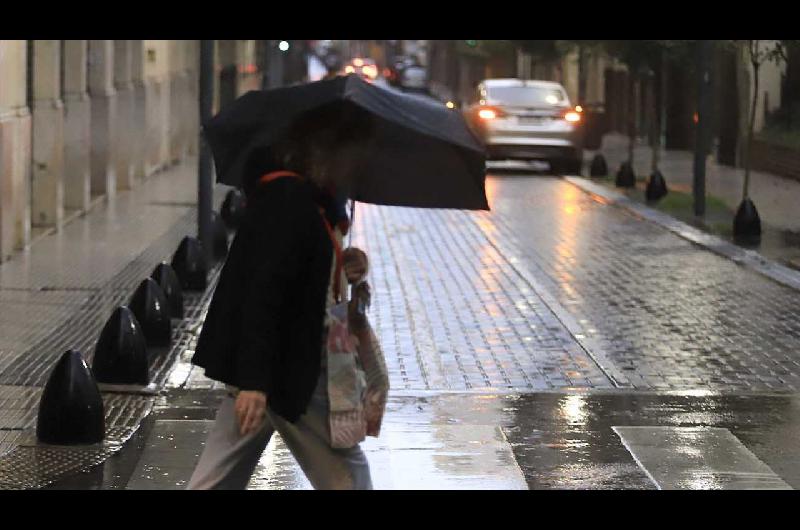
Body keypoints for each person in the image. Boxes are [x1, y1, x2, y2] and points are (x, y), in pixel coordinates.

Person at [187, 104, 375, 490]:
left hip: (270, 362)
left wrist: (343, 262)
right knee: (348, 472)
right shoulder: (289, 200)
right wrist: (255, 382)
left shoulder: (305, 199)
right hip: (289, 365)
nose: (354, 169)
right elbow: (264, 291)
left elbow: (298, 270)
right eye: (352, 157)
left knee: (217, 477)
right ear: (327, 151)